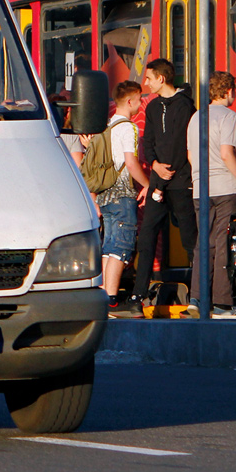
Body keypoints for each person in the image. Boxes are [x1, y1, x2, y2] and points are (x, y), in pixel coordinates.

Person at [112, 59, 197, 317]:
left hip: (180, 182)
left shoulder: (185, 106)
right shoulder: (152, 107)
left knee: (189, 239)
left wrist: (167, 167)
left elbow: (181, 142)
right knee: (147, 237)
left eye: (149, 78)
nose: (145, 83)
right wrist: (155, 164)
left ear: (161, 79)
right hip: (158, 184)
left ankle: (198, 295)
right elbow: (148, 141)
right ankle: (139, 296)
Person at [186, 71, 236, 318]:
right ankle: (222, 304)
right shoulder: (229, 117)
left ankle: (197, 298)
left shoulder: (195, 118)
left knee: (204, 243)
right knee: (223, 243)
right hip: (225, 188)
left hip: (201, 188)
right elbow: (226, 153)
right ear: (228, 91)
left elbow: (191, 156)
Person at [93, 80, 151, 315]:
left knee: (109, 247)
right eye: (139, 99)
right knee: (121, 247)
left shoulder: (107, 126)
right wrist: (147, 184)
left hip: (105, 193)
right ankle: (111, 299)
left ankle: (104, 297)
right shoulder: (128, 127)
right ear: (129, 101)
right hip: (122, 193)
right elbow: (130, 162)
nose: (141, 104)